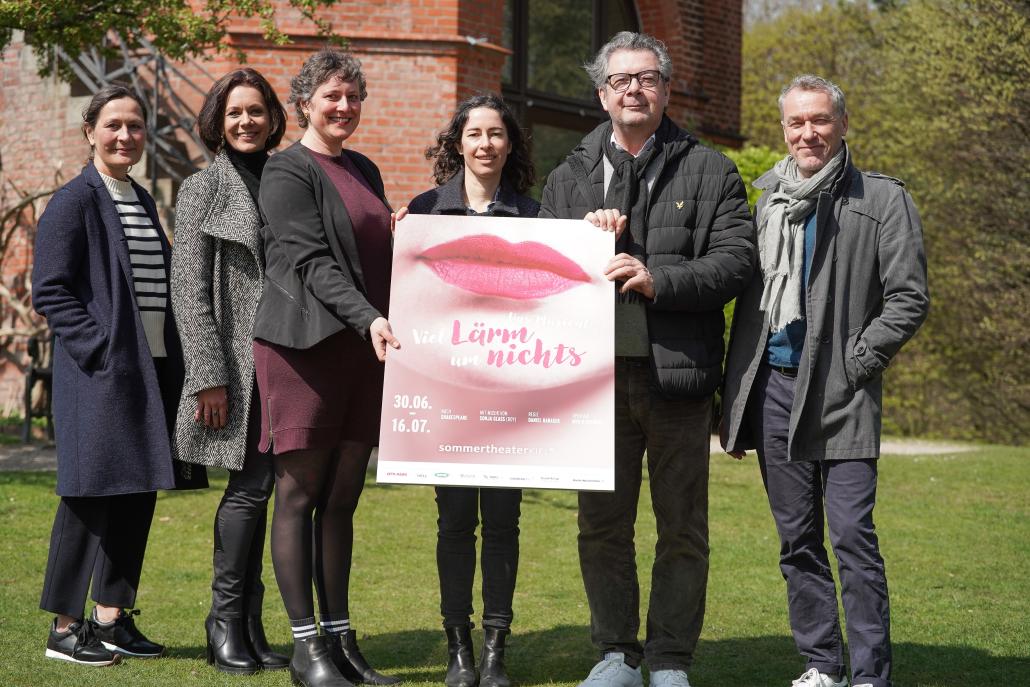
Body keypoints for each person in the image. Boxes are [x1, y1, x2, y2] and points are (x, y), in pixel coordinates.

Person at [538, 31, 755, 687]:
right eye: (621, 79)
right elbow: (541, 275)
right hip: (593, 383)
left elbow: (737, 260)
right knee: (601, 525)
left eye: (648, 78)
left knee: (682, 528)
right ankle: (617, 654)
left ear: (665, 89)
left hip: (676, 378)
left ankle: (667, 659)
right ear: (603, 95)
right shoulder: (568, 176)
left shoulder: (710, 169)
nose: (635, 89)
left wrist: (659, 277)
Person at [720, 75, 929, 687]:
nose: (806, 133)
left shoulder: (883, 199)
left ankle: (869, 675)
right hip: (774, 392)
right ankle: (821, 665)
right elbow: (752, 314)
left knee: (852, 537)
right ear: (782, 129)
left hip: (843, 395)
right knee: (798, 541)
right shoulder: (768, 203)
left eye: (818, 121)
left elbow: (908, 298)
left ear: (842, 124)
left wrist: (856, 364)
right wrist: (735, 402)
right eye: (795, 123)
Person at [32, 84, 203, 666]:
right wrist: (99, 347)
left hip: (149, 368)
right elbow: (50, 289)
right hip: (101, 373)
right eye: (113, 126)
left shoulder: (141, 198)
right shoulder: (74, 200)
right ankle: (63, 628)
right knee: (88, 496)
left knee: (136, 495)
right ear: (90, 132)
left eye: (134, 126)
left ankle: (110, 619)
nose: (125, 135)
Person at [252, 48, 402, 687]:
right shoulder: (286, 171)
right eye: (331, 97)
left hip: (361, 352)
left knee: (344, 497)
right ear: (304, 103)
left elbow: (377, 248)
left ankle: (341, 640)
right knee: (299, 493)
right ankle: (306, 648)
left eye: (353, 97)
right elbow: (312, 262)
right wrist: (368, 316)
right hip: (304, 352)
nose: (344, 107)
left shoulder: (364, 168)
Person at [408, 93, 540, 687]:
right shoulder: (423, 212)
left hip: (511, 399)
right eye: (474, 134)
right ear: (457, 143)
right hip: (449, 398)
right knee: (455, 521)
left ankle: (496, 651)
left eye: (496, 134)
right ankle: (458, 648)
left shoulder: (537, 218)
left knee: (505, 522)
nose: (485, 144)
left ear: (510, 144)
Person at [169, 67, 290, 674]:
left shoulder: (291, 176)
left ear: (273, 118)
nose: (246, 122)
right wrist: (208, 374)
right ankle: (225, 619)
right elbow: (188, 289)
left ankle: (248, 621)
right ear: (217, 120)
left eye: (257, 111)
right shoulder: (201, 188)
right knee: (248, 488)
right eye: (234, 112)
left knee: (273, 491)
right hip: (237, 365)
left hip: (289, 357)